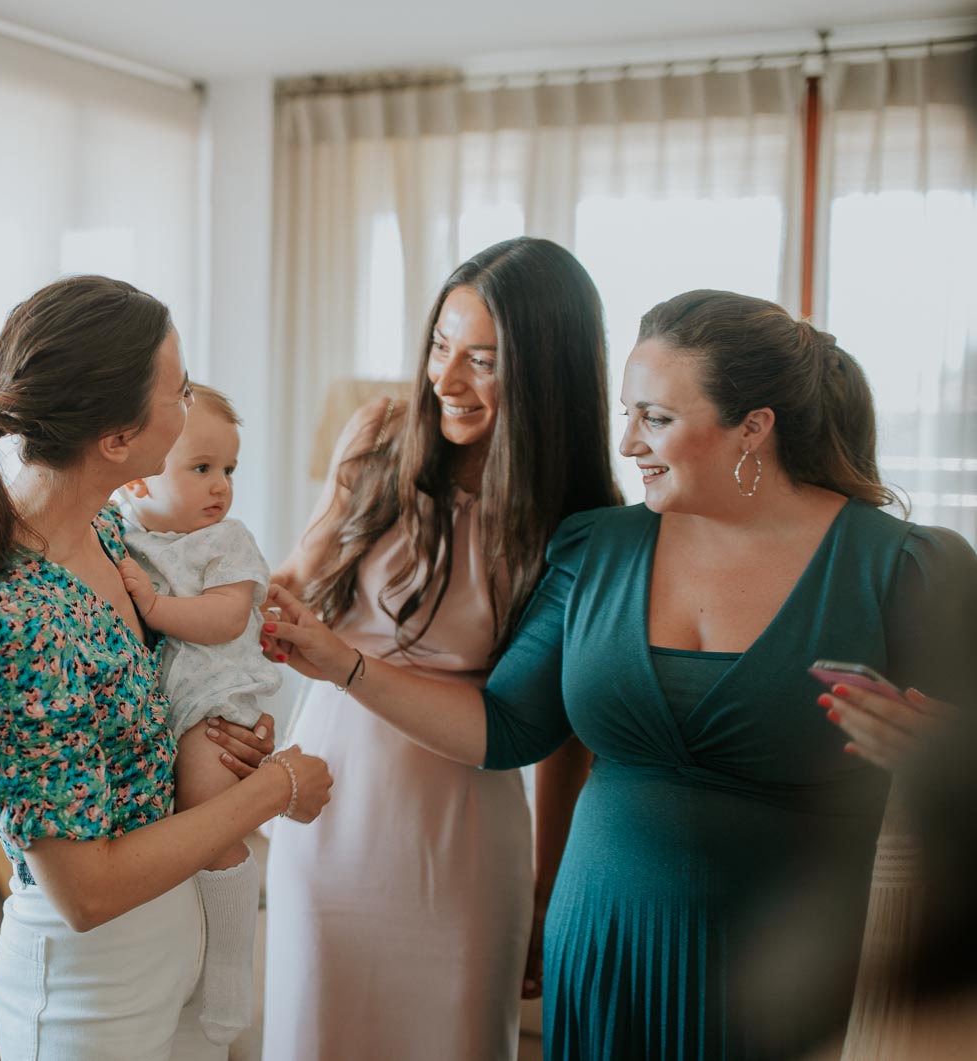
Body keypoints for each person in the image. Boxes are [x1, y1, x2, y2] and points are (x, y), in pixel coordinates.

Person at [264, 288, 977, 1060]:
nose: (628, 443)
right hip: (601, 952)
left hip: (792, 975)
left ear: (753, 428)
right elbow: (504, 729)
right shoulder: (595, 547)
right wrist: (344, 664)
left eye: (656, 419)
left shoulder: (906, 567)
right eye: (626, 415)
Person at [0, 275, 332, 1060]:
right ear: (118, 440)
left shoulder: (110, 538)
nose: (191, 407)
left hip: (170, 940)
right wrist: (273, 787)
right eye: (180, 390)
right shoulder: (16, 615)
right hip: (92, 988)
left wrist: (218, 737)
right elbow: (85, 891)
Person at [260, 237, 613, 1060]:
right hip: (327, 811)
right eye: (438, 346)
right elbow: (293, 581)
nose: (444, 380)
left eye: (481, 359)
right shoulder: (378, 437)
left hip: (460, 833)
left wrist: (545, 883)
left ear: (546, 370)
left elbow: (559, 731)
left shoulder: (580, 521)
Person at [114, 381, 279, 1044]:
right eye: (201, 467)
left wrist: (153, 607)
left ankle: (232, 963)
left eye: (228, 469)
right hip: (164, 707)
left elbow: (226, 615)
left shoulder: (226, 541)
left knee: (211, 817)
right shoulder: (118, 538)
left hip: (215, 703)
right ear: (134, 482)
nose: (221, 486)